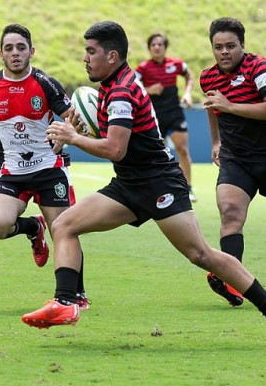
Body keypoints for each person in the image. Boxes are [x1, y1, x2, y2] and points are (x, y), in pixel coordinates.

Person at [21, 21, 266, 329]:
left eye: (90, 51)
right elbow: (107, 138)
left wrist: (74, 138)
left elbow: (115, 149)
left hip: (159, 184)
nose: (85, 58)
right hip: (129, 184)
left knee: (201, 254)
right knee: (65, 225)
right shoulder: (112, 87)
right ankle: (66, 302)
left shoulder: (122, 91)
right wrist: (77, 131)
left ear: (111, 56)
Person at [0, 24, 89, 308]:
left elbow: (74, 117)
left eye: (21, 47)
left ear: (32, 51)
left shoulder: (45, 83)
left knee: (64, 230)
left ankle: (76, 294)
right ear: (0, 54)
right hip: (11, 171)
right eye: (9, 48)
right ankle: (32, 227)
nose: (15, 53)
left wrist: (65, 138)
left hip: (49, 167)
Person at [200, 17, 266, 307]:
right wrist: (216, 141)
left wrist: (231, 106)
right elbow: (213, 107)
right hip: (236, 158)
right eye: (218, 47)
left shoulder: (258, 68)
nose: (224, 52)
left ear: (242, 45)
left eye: (230, 46)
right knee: (230, 213)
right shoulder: (208, 77)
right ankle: (231, 280)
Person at [135, 33, 196, 202]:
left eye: (160, 44)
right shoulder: (143, 68)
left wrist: (188, 93)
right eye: (153, 44)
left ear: (165, 47)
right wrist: (149, 89)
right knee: (155, 154)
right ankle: (155, 188)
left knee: (182, 149)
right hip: (153, 117)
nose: (157, 47)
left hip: (174, 113)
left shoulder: (175, 64)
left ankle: (187, 188)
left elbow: (189, 75)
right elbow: (132, 87)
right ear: (149, 48)